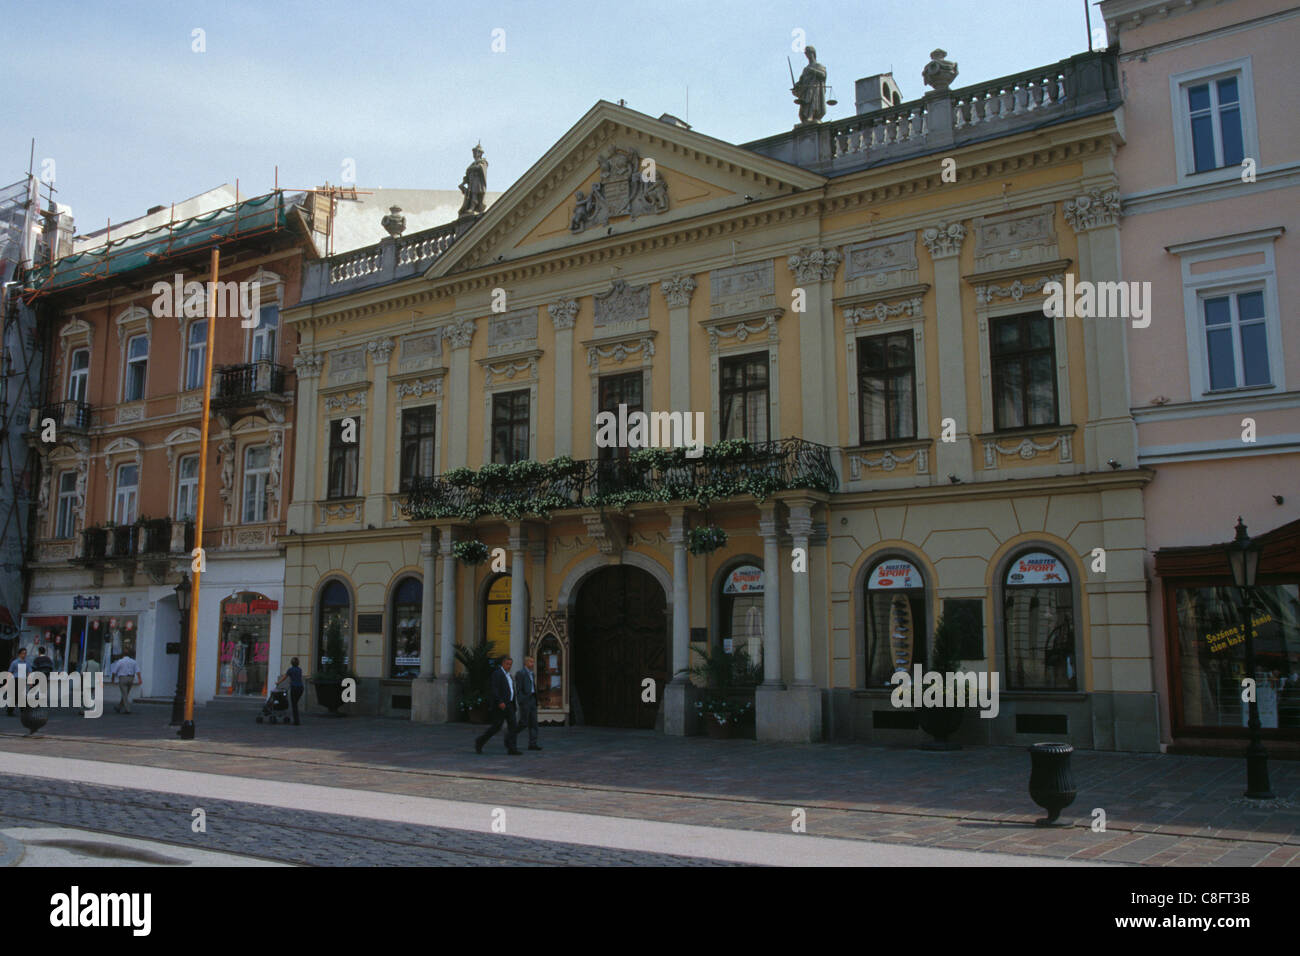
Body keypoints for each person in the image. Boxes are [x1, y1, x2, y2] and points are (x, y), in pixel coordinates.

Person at [475, 656, 521, 755]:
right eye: (507, 664)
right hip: (501, 705)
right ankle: (480, 741)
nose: (509, 666)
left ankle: (512, 748)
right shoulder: (497, 674)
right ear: (502, 664)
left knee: (513, 726)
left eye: (510, 664)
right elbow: (494, 689)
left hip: (510, 704)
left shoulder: (509, 675)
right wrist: (499, 701)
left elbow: (511, 689)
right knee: (496, 726)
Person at [792, 46, 828, 126]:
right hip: (806, 90)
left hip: (815, 88)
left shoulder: (819, 66)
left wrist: (812, 71)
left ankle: (811, 116)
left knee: (813, 102)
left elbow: (823, 75)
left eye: (808, 53)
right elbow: (801, 80)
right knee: (803, 109)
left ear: (813, 53)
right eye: (806, 53)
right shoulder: (805, 69)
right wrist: (797, 86)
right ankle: (806, 118)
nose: (807, 55)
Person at [517, 655, 542, 751]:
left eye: (533, 662)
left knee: (534, 723)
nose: (532, 664)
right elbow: (519, 689)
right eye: (530, 662)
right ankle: (511, 736)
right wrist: (521, 701)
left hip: (532, 699)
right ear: (526, 663)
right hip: (525, 700)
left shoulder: (532, 674)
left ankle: (533, 743)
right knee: (523, 722)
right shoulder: (520, 673)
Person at [280, 657, 304, 725]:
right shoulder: (299, 669)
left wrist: (278, 683)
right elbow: (296, 677)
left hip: (294, 688)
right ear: (298, 663)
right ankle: (297, 720)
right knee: (295, 703)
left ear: (291, 663)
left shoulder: (290, 670)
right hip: (301, 688)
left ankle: (296, 721)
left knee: (294, 705)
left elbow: (285, 677)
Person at [6, 648, 28, 716]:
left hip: (23, 680)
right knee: (15, 696)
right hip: (15, 680)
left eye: (25, 653)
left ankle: (23, 710)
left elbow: (29, 671)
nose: (24, 655)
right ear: (19, 654)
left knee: (21, 695)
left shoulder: (27, 663)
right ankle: (10, 711)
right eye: (23, 653)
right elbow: (10, 672)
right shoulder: (15, 662)